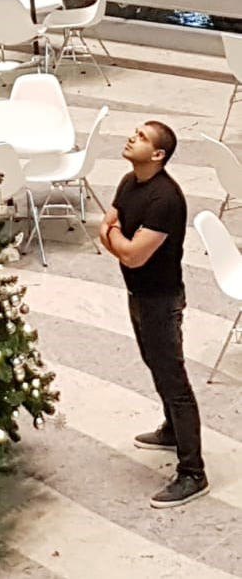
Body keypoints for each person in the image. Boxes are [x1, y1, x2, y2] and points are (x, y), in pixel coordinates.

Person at [99, 121, 207, 508]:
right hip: (138, 293)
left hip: (161, 300)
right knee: (154, 363)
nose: (131, 137)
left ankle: (193, 472)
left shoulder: (166, 199)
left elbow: (132, 252)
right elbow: (109, 229)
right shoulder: (130, 182)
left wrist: (114, 237)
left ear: (158, 155)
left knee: (173, 378)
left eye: (142, 137)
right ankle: (172, 431)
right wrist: (117, 237)